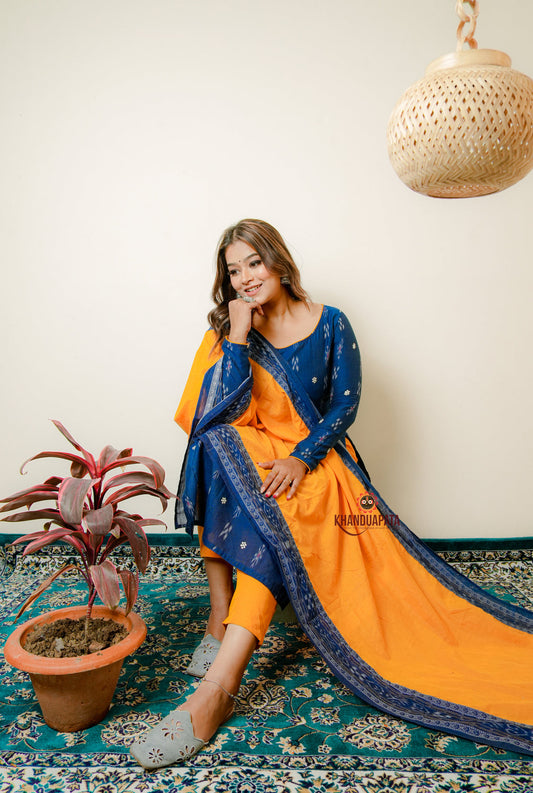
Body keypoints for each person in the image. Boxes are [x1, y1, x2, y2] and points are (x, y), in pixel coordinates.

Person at [130, 219, 533, 769]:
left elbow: (344, 406)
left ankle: (220, 679)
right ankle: (221, 623)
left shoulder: (330, 324)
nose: (245, 278)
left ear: (279, 261)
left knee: (273, 498)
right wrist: (240, 337)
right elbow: (209, 414)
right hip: (254, 455)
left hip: (317, 463)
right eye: (233, 270)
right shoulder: (230, 329)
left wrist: (300, 458)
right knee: (219, 443)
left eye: (254, 263)